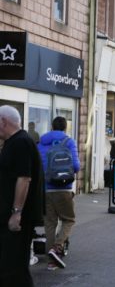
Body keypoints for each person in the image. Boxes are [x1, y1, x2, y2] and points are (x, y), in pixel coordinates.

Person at [0, 105, 44, 286]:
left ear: (3, 122)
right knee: (9, 266)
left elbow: (24, 178)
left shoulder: (21, 142)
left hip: (17, 219)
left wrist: (16, 213)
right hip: (11, 215)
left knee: (13, 268)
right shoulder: (14, 142)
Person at [38, 116, 80, 270]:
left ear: (51, 126)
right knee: (69, 219)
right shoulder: (69, 142)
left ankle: (51, 262)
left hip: (46, 189)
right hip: (64, 188)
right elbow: (76, 166)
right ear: (65, 127)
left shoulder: (41, 143)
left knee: (50, 223)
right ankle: (57, 247)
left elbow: (37, 167)